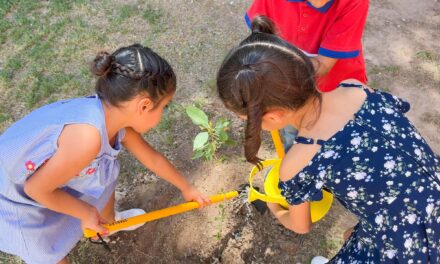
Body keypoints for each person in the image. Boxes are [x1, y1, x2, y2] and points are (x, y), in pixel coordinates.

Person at [216, 16, 440, 263]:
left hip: (415, 245)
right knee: (351, 235)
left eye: (244, 118)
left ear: (273, 116)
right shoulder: (355, 88)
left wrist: (275, 208)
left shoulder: (299, 162)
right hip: (429, 199)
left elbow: (300, 226)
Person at [0, 44, 210, 264]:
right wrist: (85, 212)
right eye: (164, 107)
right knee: (48, 251)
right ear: (144, 106)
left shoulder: (115, 117)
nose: (163, 114)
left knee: (105, 174)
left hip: (42, 179)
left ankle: (111, 221)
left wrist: (186, 187)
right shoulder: (87, 139)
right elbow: (36, 189)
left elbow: (152, 157)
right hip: (14, 198)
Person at [245, 0, 369, 151]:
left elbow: (323, 65)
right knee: (295, 136)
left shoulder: (354, 2)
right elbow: (260, 38)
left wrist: (276, 75)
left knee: (339, 138)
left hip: (336, 89)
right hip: (292, 94)